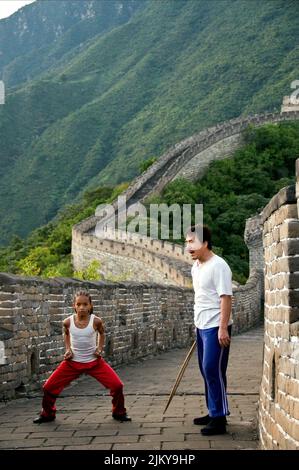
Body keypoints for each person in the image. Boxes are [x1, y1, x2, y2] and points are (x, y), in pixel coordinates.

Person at [33, 290, 131, 423]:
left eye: (85, 304)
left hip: (94, 362)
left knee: (117, 385)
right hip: (72, 362)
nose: (82, 307)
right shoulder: (67, 322)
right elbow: (66, 333)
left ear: (90, 305)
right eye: (78, 304)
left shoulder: (96, 321)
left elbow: (102, 334)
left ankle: (119, 412)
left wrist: (99, 348)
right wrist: (68, 349)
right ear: (74, 306)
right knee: (48, 387)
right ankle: (47, 414)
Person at [185, 225, 232, 436]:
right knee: (206, 371)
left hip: (216, 327)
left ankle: (220, 418)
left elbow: (226, 298)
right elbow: (201, 298)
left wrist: (222, 328)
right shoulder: (196, 267)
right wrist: (197, 325)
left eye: (192, 242)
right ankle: (213, 411)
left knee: (213, 369)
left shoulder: (219, 266)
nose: (188, 247)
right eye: (187, 242)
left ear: (205, 243)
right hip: (202, 325)